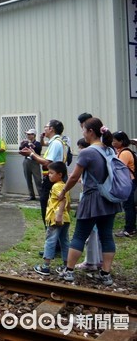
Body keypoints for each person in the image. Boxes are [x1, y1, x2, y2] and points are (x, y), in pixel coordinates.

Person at [56, 118, 123, 286]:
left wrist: (64, 191)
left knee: (79, 234)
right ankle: (105, 273)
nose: (83, 134)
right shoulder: (110, 150)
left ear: (91, 132)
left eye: (84, 131)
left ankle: (69, 271)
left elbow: (73, 177)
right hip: (109, 198)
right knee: (107, 236)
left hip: (92, 199)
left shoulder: (87, 152)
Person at [20, 119, 65, 225]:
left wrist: (31, 154)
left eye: (46, 126)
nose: (44, 128)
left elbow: (46, 162)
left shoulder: (55, 143)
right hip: (52, 178)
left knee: (47, 207)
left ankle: (50, 232)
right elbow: (44, 144)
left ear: (51, 129)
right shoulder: (54, 141)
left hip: (52, 180)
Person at [33, 161, 71, 276]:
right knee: (64, 241)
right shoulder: (65, 186)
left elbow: (63, 199)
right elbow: (68, 203)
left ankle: (45, 267)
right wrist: (64, 215)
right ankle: (66, 265)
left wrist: (58, 215)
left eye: (51, 173)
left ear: (59, 174)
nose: (48, 175)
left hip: (56, 219)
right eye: (48, 173)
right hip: (65, 219)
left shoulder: (56, 186)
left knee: (50, 241)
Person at [74, 138, 103, 271]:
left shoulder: (86, 156)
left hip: (89, 199)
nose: (79, 150)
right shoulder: (103, 154)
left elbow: (76, 178)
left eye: (80, 147)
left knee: (89, 233)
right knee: (100, 233)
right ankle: (99, 260)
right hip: (100, 200)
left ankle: (90, 261)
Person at [111, 131, 137, 237]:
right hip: (128, 182)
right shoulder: (121, 151)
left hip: (129, 182)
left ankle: (129, 229)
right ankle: (131, 228)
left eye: (114, 140)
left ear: (121, 141)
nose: (112, 142)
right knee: (128, 205)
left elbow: (118, 168)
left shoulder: (125, 153)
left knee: (128, 206)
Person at [19, 129, 42, 201]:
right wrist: (21, 144)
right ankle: (31, 195)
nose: (28, 136)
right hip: (26, 161)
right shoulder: (26, 143)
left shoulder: (37, 143)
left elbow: (38, 150)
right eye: (27, 134)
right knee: (28, 179)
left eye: (29, 134)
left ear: (34, 135)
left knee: (38, 180)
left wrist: (33, 146)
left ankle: (41, 195)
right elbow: (20, 149)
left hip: (35, 162)